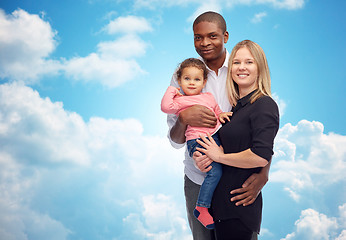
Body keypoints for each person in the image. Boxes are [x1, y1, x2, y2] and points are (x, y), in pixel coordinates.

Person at [166, 11, 270, 240]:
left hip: (237, 178)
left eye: (212, 36)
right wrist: (184, 119)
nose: (204, 43)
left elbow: (262, 127)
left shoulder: (240, 68)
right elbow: (175, 140)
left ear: (225, 36)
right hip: (197, 177)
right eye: (197, 37)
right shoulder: (185, 75)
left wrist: (264, 172)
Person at [194, 40, 280, 239]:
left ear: (260, 68)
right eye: (236, 62)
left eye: (249, 62)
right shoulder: (236, 109)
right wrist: (205, 158)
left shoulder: (264, 104)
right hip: (222, 208)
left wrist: (219, 156)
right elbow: (232, 148)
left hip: (238, 210)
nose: (241, 67)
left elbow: (261, 155)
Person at [161, 58, 232, 229]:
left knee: (220, 169)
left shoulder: (208, 97)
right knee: (214, 172)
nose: (192, 83)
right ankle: (201, 207)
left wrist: (221, 115)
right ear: (179, 80)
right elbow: (165, 107)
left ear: (204, 82)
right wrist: (172, 89)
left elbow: (216, 110)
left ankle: (204, 206)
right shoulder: (180, 101)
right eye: (187, 79)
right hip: (197, 142)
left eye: (197, 79)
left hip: (213, 138)